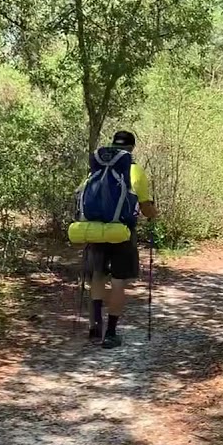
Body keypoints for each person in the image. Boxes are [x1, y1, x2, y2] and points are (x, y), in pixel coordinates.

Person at [84, 130, 157, 348]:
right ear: (132, 148)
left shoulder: (97, 168)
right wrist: (154, 214)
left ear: (113, 146)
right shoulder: (135, 171)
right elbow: (145, 208)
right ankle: (111, 333)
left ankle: (95, 325)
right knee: (117, 281)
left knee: (98, 275)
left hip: (95, 230)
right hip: (122, 232)